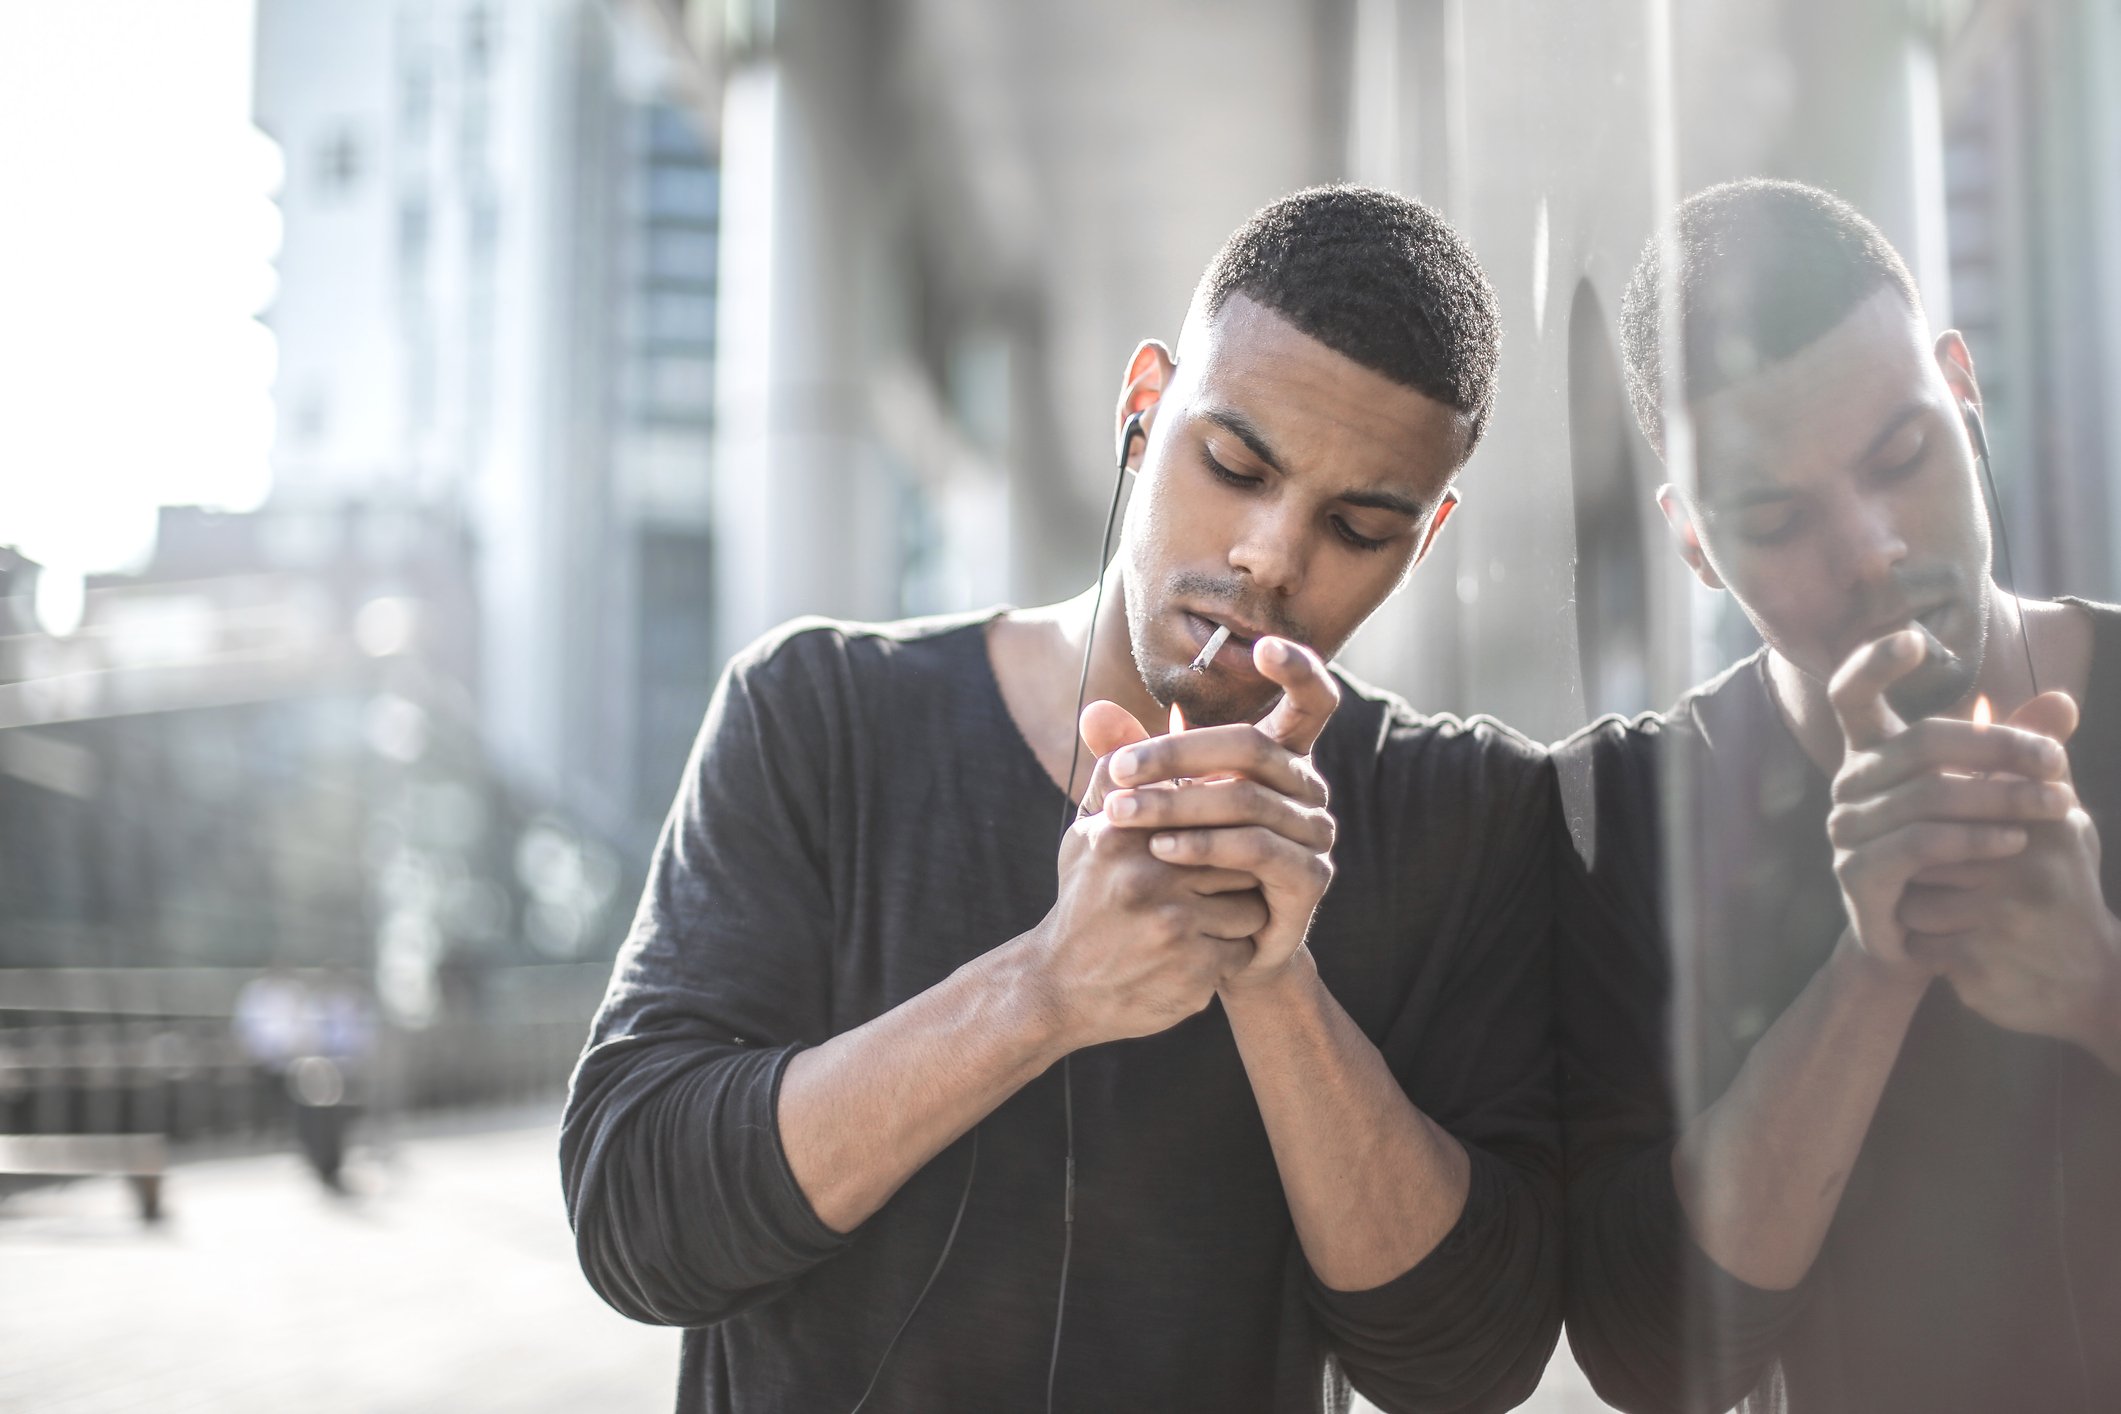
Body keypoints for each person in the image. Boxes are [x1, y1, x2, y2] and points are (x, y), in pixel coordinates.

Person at [562, 186, 1561, 1413]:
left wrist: (1273, 981)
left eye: (1357, 527)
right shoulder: (817, 711)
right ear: (1144, 408)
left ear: (1426, 538)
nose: (1271, 555)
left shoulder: (1460, 812)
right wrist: (1042, 988)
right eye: (1236, 466)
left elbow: (1467, 1362)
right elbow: (636, 1221)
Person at [1556, 179, 2121, 1412]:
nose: (1871, 548)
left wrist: (2096, 982)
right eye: (1775, 518)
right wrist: (1872, 968)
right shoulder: (1636, 812)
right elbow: (1653, 1354)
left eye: (1902, 458)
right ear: (1695, 542)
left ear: (1963, 392)